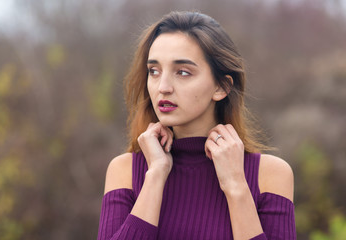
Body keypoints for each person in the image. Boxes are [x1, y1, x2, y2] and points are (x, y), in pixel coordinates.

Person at [97, 11, 296, 240]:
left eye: (182, 72)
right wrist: (155, 175)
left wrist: (236, 186)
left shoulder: (270, 175)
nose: (163, 87)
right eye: (154, 71)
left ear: (221, 87)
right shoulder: (125, 171)